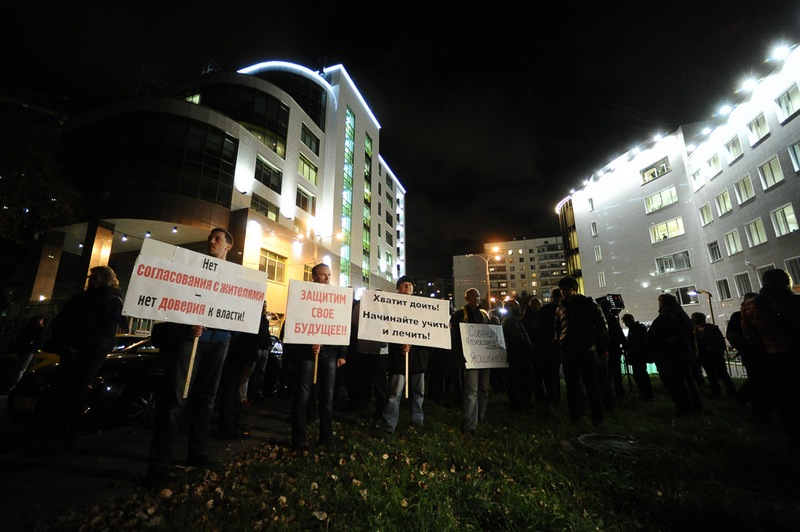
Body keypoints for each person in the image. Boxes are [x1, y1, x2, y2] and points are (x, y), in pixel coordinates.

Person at [145, 228, 234, 483]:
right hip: (191, 340)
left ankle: (197, 453)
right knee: (176, 400)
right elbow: (175, 303)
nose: (211, 241)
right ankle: (159, 464)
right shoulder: (191, 269)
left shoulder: (234, 276)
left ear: (228, 245)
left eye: (217, 238)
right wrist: (186, 326)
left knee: (208, 399)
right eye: (210, 238)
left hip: (221, 341)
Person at [45, 266, 127, 451]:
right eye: (91, 276)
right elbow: (62, 320)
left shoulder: (112, 300)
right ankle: (59, 427)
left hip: (89, 350)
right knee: (66, 386)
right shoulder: (82, 297)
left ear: (107, 279)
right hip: (70, 348)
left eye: (97, 277)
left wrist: (82, 344)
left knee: (77, 386)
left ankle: (69, 432)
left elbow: (105, 330)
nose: (92, 280)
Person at [285, 263, 347, 451]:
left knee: (327, 398)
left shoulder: (337, 299)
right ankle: (299, 439)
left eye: (329, 275)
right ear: (313, 277)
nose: (327, 279)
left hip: (329, 355)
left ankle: (326, 437)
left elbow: (341, 324)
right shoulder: (301, 297)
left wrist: (342, 353)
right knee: (302, 397)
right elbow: (294, 325)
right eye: (323, 275)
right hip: (307, 355)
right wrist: (307, 342)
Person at [742, 268, 800, 450]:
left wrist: (764, 352)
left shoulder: (749, 306)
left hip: (772, 358)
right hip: (796, 353)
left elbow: (749, 336)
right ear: (786, 282)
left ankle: (794, 438)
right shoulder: (795, 301)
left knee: (785, 399)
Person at [555, 276, 608, 424]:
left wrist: (598, 346)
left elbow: (601, 327)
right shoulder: (561, 307)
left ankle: (597, 416)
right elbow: (558, 328)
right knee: (572, 386)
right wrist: (560, 343)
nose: (563, 292)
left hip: (585, 349)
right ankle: (575, 415)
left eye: (565, 289)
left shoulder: (588, 304)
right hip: (568, 350)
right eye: (562, 289)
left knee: (591, 385)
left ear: (573, 289)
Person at [383, 276, 431, 433]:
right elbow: (385, 328)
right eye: (404, 285)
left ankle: (418, 421)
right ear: (398, 288)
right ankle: (390, 424)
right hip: (399, 357)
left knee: (419, 392)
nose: (408, 287)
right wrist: (399, 344)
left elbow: (429, 327)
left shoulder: (422, 307)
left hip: (417, 357)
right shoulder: (390, 307)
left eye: (410, 284)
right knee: (395, 392)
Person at [216, 302, 270, 439]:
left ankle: (233, 422)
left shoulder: (257, 316)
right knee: (230, 388)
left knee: (234, 388)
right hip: (238, 350)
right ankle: (228, 426)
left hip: (245, 350)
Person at [647, 293, 702, 416]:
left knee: (675, 382)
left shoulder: (668, 314)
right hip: (682, 352)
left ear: (663, 302)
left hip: (670, 354)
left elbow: (665, 333)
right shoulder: (681, 313)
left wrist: (662, 344)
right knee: (687, 379)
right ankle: (695, 405)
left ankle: (684, 407)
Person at [450, 288, 490, 433]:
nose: (476, 298)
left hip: (485, 358)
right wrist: (460, 356)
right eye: (473, 296)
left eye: (478, 295)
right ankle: (470, 424)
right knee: (472, 391)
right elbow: (456, 336)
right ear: (466, 298)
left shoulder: (484, 314)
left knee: (484, 389)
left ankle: (480, 418)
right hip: (470, 359)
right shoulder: (461, 314)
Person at [726, 293, 768, 423]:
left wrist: (742, 348)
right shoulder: (763, 312)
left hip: (752, 351)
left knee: (756, 378)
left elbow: (732, 336)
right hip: (762, 351)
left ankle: (755, 408)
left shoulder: (738, 316)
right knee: (759, 378)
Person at [349, 297, 389, 422]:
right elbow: (355, 322)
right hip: (364, 350)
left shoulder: (387, 309)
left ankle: (380, 412)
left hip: (380, 353)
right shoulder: (361, 307)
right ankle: (358, 407)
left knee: (379, 385)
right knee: (361, 382)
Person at [691, 312, 737, 398]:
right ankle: (716, 391)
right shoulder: (694, 330)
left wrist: (719, 352)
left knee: (722, 373)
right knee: (711, 374)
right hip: (703, 356)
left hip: (714, 355)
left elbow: (720, 342)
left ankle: (731, 391)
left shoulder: (712, 329)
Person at [531, 289, 563, 407]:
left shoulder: (545, 310)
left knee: (550, 376)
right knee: (553, 375)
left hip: (545, 348)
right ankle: (555, 399)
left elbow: (538, 329)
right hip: (553, 347)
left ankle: (551, 399)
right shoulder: (561, 310)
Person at [501, 298, 534, 411]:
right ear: (510, 308)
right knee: (523, 381)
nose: (519, 308)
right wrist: (527, 349)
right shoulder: (511, 321)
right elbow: (518, 339)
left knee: (514, 383)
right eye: (516, 306)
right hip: (518, 357)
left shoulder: (507, 320)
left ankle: (517, 406)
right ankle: (521, 406)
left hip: (513, 356)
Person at [620, 314, 654, 400]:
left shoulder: (635, 330)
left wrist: (628, 347)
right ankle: (646, 393)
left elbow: (635, 343)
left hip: (637, 356)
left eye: (625, 322)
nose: (625, 324)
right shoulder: (637, 329)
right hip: (638, 355)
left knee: (640, 374)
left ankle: (646, 393)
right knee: (640, 374)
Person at [600, 299, 626, 401]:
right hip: (614, 349)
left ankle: (608, 394)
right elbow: (618, 332)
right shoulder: (612, 318)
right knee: (616, 373)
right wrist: (624, 343)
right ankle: (619, 393)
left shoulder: (600, 318)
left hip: (605, 349)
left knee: (607, 374)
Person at [248, 302, 275, 402]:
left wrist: (268, 345)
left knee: (261, 373)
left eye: (265, 307)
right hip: (257, 348)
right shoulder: (254, 319)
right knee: (250, 372)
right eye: (263, 306)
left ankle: (257, 393)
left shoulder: (265, 320)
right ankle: (247, 394)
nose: (264, 309)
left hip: (264, 349)